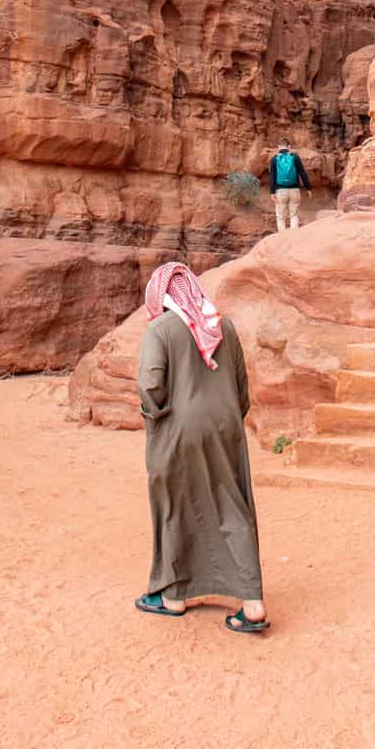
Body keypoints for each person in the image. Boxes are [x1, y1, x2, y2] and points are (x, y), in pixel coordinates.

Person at [134, 261, 269, 634]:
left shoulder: (159, 330)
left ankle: (173, 596)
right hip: (225, 426)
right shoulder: (222, 326)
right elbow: (241, 386)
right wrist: (226, 417)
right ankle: (253, 604)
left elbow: (150, 385)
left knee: (175, 504)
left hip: (178, 429)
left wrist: (156, 418)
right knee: (232, 505)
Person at [268, 141, 311, 231]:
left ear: (278, 147)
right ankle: (293, 237)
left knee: (280, 216)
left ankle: (282, 238)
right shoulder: (295, 157)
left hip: (280, 191)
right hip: (294, 190)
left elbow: (272, 176)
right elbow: (302, 173)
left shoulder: (274, 159)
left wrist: (272, 192)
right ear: (289, 146)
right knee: (294, 215)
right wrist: (308, 188)